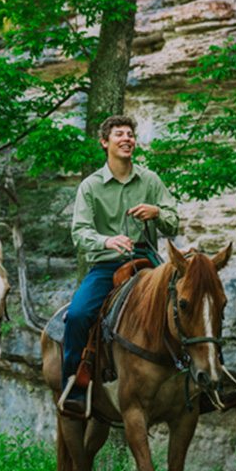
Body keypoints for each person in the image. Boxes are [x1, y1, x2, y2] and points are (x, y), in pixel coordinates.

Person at [60, 115, 178, 417]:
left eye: (130, 134)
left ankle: (203, 380)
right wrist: (106, 241)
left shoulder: (150, 180)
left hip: (147, 261)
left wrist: (157, 213)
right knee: (77, 315)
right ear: (105, 142)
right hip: (106, 265)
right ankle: (74, 386)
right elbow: (80, 232)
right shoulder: (91, 186)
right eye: (119, 135)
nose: (126, 139)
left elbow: (173, 222)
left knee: (189, 301)